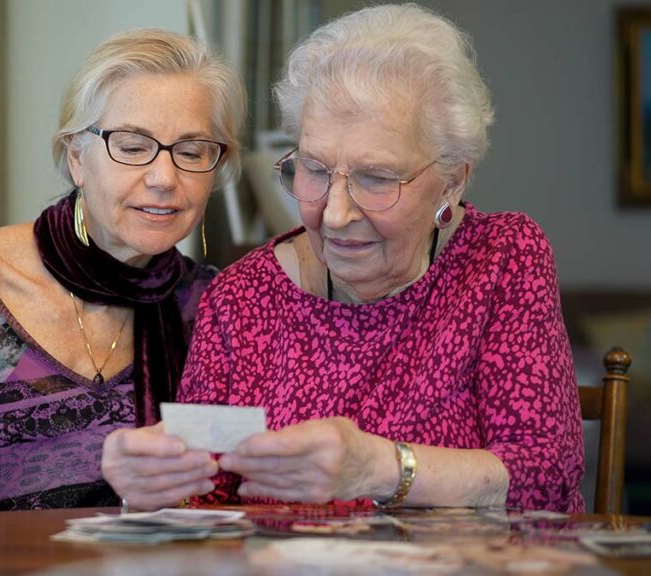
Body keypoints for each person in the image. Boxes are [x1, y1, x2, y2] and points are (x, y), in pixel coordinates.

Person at [102, 4, 584, 513]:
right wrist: (151, 485)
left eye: (375, 178)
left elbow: (544, 476)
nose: (334, 215)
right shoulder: (243, 298)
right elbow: (204, 500)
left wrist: (379, 468)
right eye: (314, 169)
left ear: (452, 180)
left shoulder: (501, 259)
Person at [0, 29, 245, 513]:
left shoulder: (211, 306)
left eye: (192, 151)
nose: (164, 178)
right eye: (133, 146)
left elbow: (232, 499)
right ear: (77, 157)